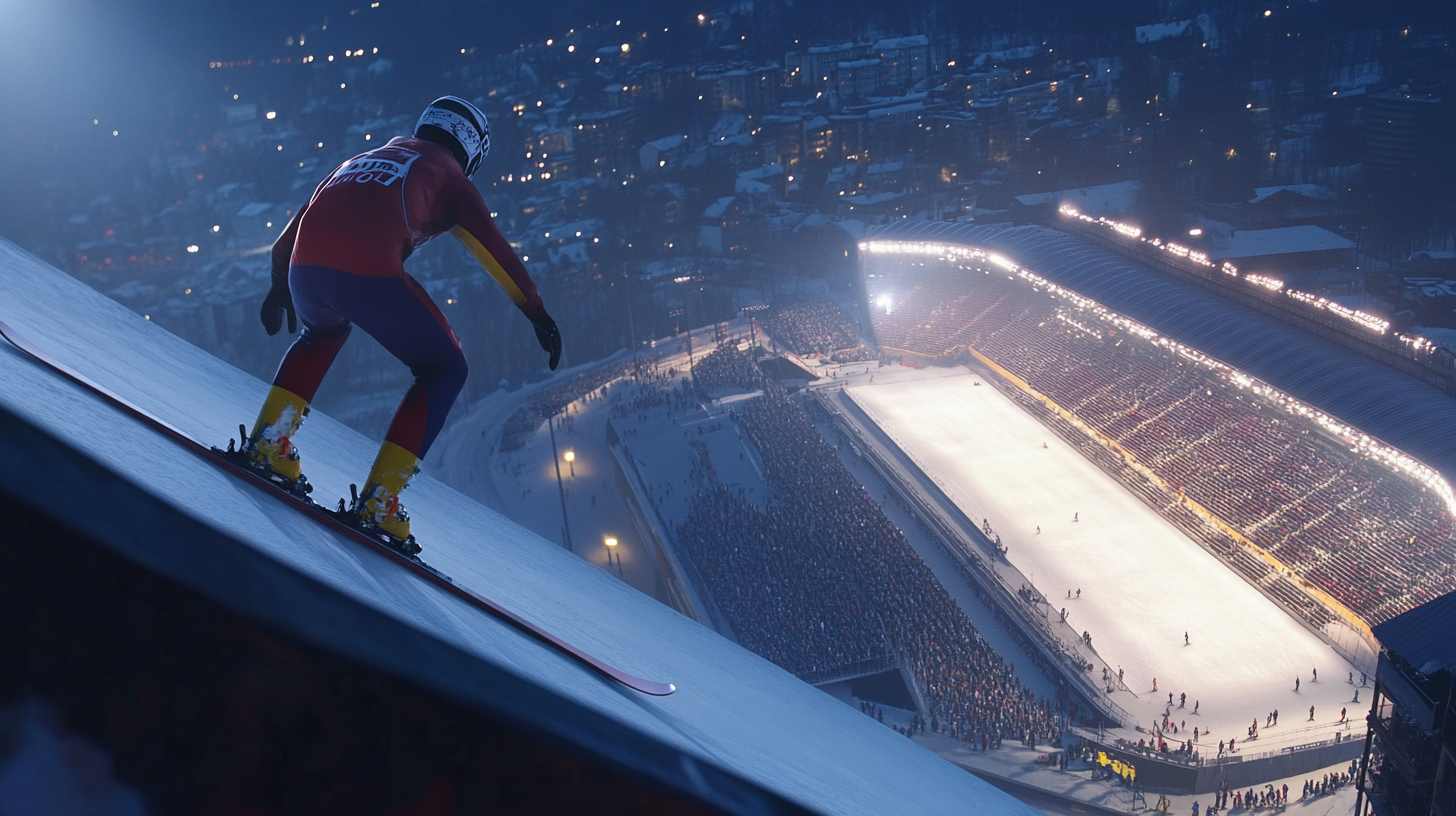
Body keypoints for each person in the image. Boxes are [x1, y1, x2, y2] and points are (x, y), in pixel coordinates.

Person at [249, 96, 560, 544]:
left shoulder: (360, 159)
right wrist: (535, 310)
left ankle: (267, 443)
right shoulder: (450, 177)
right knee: (446, 369)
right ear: (472, 150)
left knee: (320, 334)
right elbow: (491, 248)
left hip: (303, 270)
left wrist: (280, 285)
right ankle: (380, 503)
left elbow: (294, 231)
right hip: (366, 270)